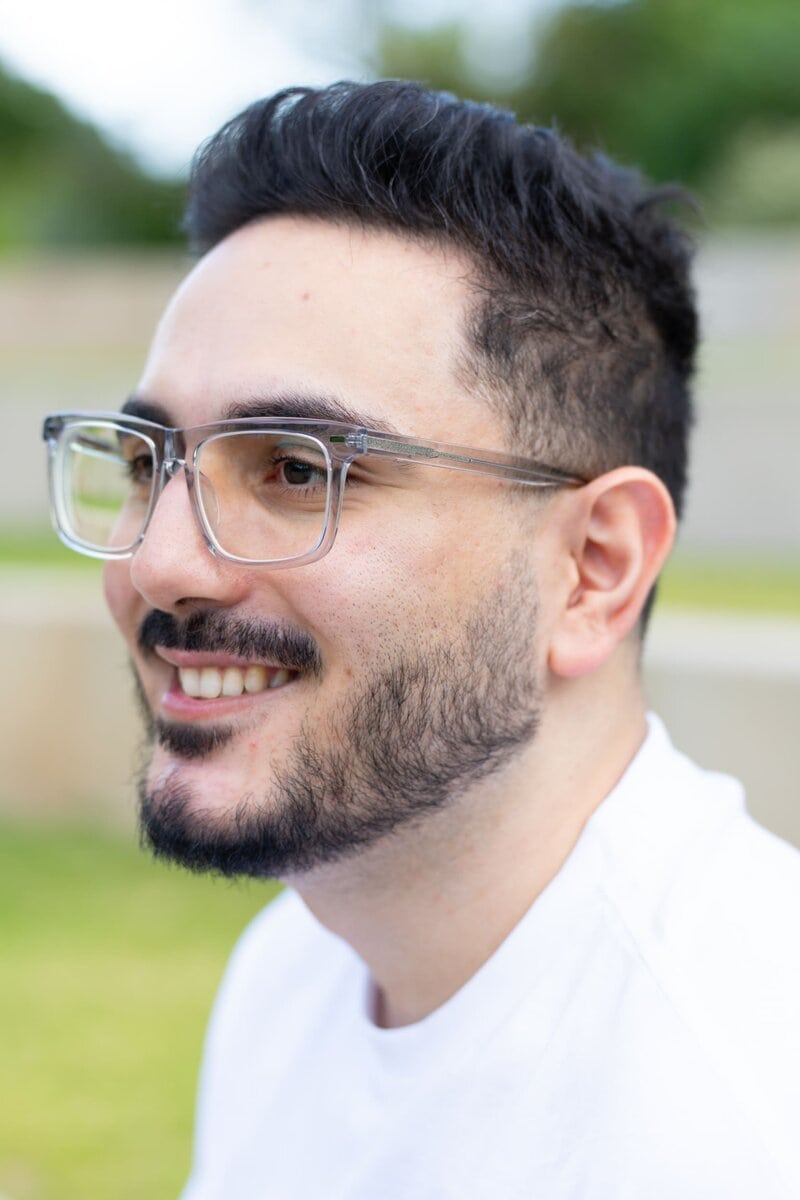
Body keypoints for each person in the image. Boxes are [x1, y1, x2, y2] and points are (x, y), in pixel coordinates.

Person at [43, 81, 800, 1199]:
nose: (156, 563)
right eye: (149, 465)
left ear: (593, 567)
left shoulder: (740, 1118)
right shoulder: (294, 972)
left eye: (297, 471)